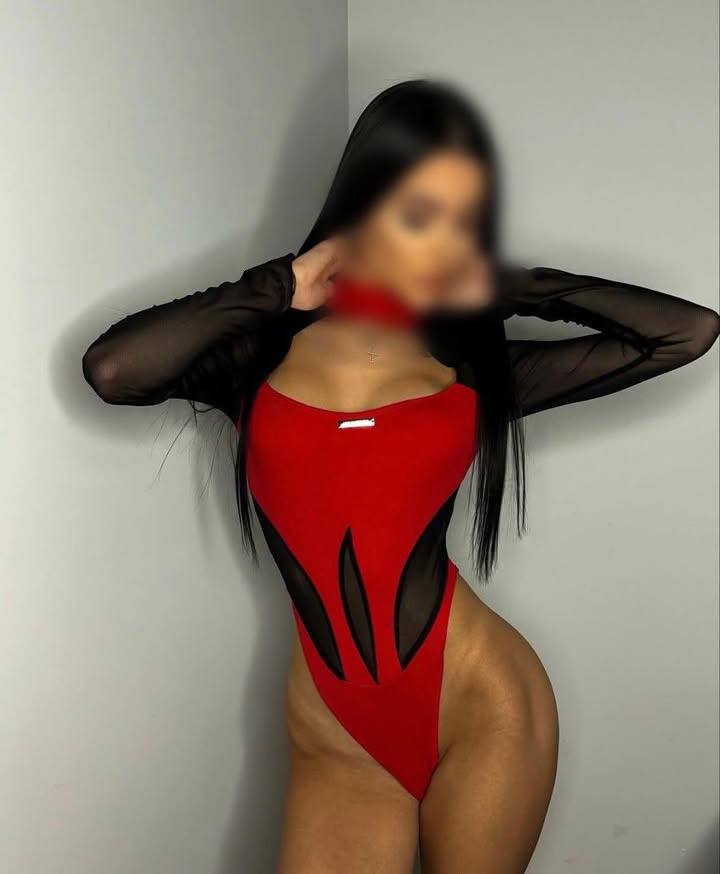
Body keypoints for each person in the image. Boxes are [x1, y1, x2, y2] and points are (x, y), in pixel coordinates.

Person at [81, 80, 719, 873]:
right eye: (420, 215)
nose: (441, 246)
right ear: (362, 208)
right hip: (336, 734)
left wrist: (516, 287)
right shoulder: (254, 358)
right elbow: (114, 370)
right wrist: (279, 285)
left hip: (482, 706)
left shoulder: (473, 371)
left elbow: (686, 333)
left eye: (463, 223)